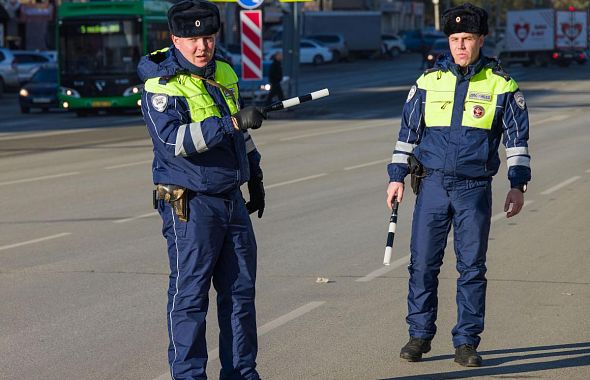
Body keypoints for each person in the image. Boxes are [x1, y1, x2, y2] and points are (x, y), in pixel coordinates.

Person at [386, 3, 531, 367]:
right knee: (421, 265)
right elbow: (407, 135)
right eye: (454, 38)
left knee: (471, 268)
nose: (461, 45)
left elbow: (517, 141)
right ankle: (419, 336)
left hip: (474, 189)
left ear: (481, 40)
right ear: (448, 41)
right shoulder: (427, 82)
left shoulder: (501, 85)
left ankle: (466, 341)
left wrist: (518, 185)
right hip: (432, 185)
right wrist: (396, 177)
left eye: (467, 38)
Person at [137, 1, 267, 378]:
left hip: (231, 199)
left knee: (240, 296)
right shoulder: (160, 83)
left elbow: (240, 133)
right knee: (190, 298)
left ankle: (241, 374)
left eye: (207, 38)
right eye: (192, 39)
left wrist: (254, 174)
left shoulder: (224, 70)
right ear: (175, 39)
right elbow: (173, 141)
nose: (201, 47)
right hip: (190, 206)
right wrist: (229, 123)